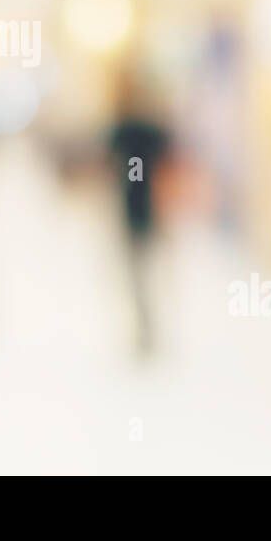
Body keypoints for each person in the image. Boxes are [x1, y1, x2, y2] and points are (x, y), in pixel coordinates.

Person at [107, 71, 170, 357]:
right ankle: (147, 327)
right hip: (145, 209)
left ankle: (146, 328)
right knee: (144, 273)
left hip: (136, 208)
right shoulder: (148, 131)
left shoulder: (125, 131)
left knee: (138, 274)